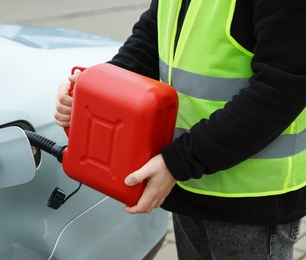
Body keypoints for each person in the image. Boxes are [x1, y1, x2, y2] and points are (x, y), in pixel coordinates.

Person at [54, 0, 306, 259]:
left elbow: (281, 88)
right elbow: (151, 38)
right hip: (187, 178)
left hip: (250, 199)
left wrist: (180, 161)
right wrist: (94, 91)